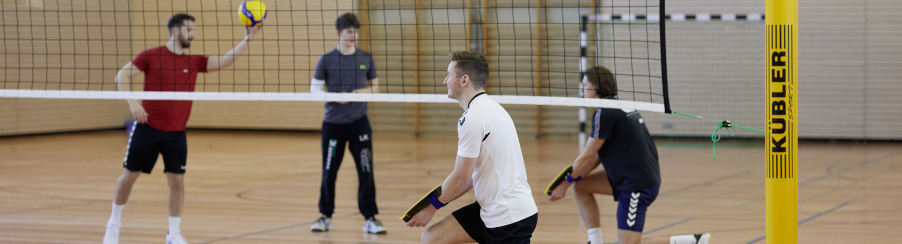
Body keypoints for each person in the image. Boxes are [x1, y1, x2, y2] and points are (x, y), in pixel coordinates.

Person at [103, 13, 261, 244]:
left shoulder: (193, 61)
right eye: (189, 30)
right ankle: (113, 225)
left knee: (177, 181)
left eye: (193, 30)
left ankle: (173, 233)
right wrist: (133, 102)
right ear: (176, 31)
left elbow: (226, 61)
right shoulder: (151, 55)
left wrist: (247, 39)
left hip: (176, 133)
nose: (193, 34)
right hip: (148, 128)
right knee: (129, 177)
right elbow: (122, 75)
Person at [548, 66, 711, 244]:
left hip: (636, 186)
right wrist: (574, 180)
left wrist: (564, 184)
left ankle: (690, 241)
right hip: (634, 177)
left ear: (596, 87)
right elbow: (595, 157)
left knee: (628, 243)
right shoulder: (617, 105)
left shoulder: (605, 112)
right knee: (581, 186)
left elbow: (587, 156)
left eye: (584, 85)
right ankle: (594, 241)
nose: (581, 90)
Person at [406, 51, 539, 244]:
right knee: (432, 238)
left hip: (509, 219)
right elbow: (469, 177)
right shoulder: (489, 108)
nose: (445, 80)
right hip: (490, 210)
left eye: (449, 74)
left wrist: (430, 208)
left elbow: (460, 178)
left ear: (464, 80)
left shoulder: (473, 118)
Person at [307, 12, 385, 234]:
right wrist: (335, 96)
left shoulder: (365, 57)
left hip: (359, 124)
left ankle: (370, 218)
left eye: (355, 32)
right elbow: (314, 90)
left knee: (366, 170)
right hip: (333, 125)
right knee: (329, 171)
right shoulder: (327, 59)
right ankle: (325, 216)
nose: (353, 35)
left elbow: (376, 88)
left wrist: (357, 92)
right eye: (349, 32)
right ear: (338, 33)